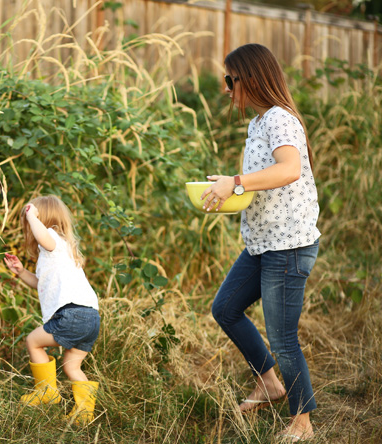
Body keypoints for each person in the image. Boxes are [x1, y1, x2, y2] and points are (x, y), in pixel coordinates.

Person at [202, 44, 321, 442]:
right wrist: (225, 188)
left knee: (283, 336)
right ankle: (270, 383)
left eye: (229, 79)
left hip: (287, 246)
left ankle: (302, 421)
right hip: (262, 243)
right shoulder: (258, 123)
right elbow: (264, 180)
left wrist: (234, 182)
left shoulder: (280, 120)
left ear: (249, 79)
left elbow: (288, 169)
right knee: (226, 308)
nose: (226, 88)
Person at [3, 195, 100, 425]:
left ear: (41, 221)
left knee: (33, 341)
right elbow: (42, 284)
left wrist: (31, 214)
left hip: (72, 314)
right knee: (71, 365)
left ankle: (47, 392)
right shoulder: (61, 251)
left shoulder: (53, 239)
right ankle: (84, 414)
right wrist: (20, 272)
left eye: (31, 223)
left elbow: (43, 235)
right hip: (91, 318)